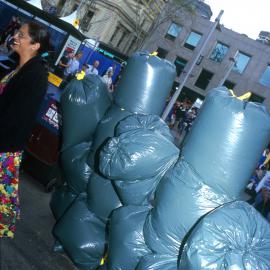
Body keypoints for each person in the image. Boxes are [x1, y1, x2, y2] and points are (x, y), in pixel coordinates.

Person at [0, 22, 50, 238]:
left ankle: (4, 227)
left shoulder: (36, 76)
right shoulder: (18, 66)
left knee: (5, 196)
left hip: (6, 143)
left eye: (22, 35)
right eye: (16, 33)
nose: (15, 37)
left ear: (35, 45)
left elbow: (17, 116)